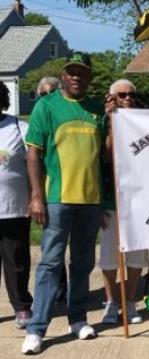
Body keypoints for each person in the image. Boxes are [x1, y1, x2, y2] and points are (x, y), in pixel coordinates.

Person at [21, 52, 104, 354]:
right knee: (50, 264)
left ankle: (78, 319)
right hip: (57, 199)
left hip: (91, 200)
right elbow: (33, 153)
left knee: (83, 263)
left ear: (89, 77)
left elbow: (106, 155)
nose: (76, 77)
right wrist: (36, 196)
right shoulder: (46, 106)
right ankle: (36, 329)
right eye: (71, 72)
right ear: (63, 75)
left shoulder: (97, 109)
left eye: (82, 72)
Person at [100, 79, 148, 324]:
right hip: (112, 198)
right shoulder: (103, 121)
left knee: (137, 255)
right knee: (110, 256)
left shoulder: (144, 121)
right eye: (121, 95)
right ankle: (111, 302)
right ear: (111, 98)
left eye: (131, 94)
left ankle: (129, 302)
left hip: (139, 198)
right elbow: (107, 157)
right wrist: (111, 122)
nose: (127, 98)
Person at [0, 81, 33, 329]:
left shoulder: (19, 126)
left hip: (14, 208)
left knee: (17, 261)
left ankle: (22, 307)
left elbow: (34, 162)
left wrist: (36, 196)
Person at [35, 77, 68, 306]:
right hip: (49, 192)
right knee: (52, 249)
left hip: (72, 192)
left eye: (52, 92)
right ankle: (55, 291)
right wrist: (35, 195)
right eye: (43, 94)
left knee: (76, 251)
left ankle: (68, 292)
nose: (47, 97)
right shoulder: (38, 119)